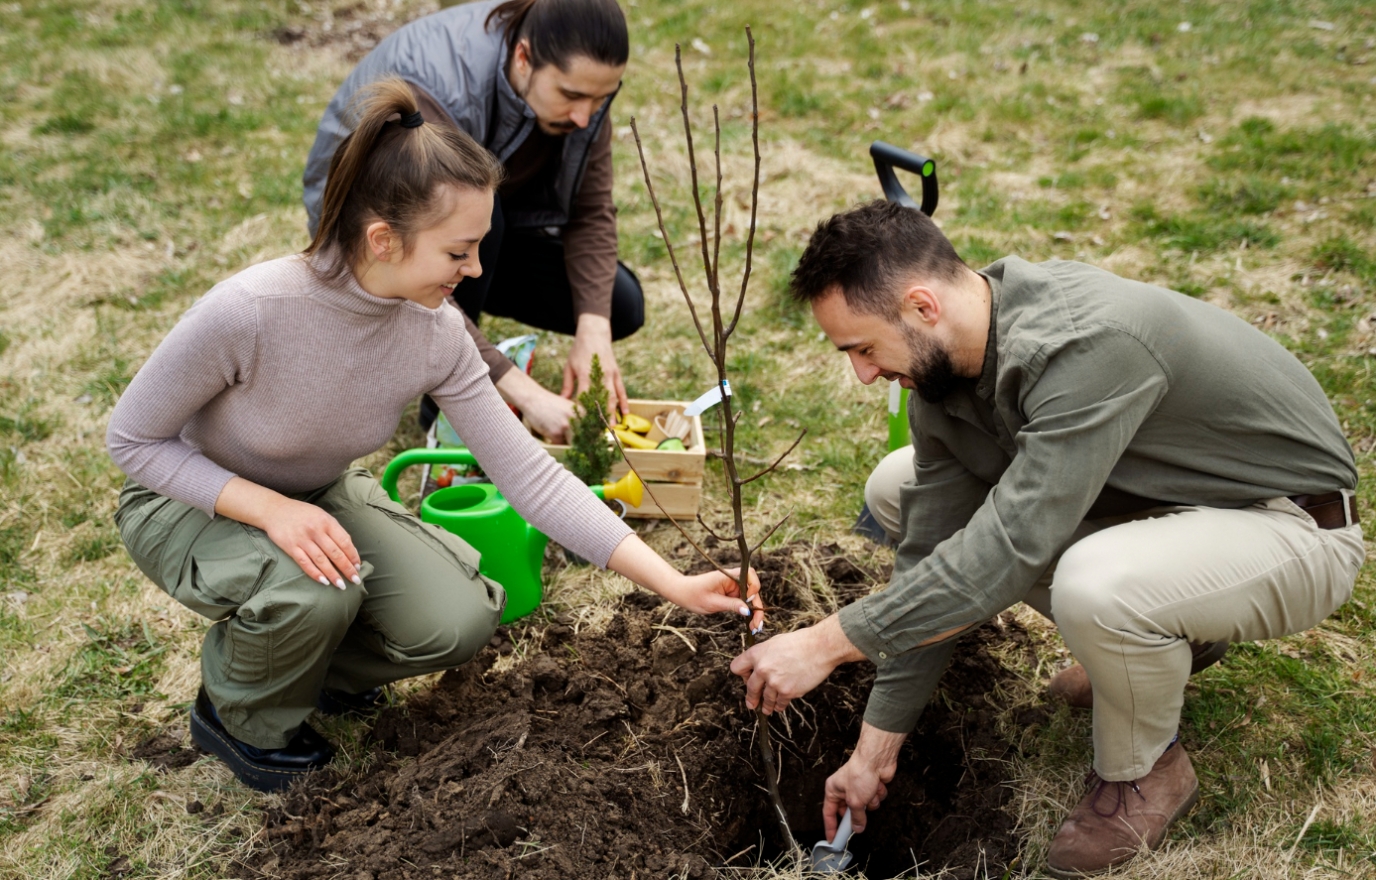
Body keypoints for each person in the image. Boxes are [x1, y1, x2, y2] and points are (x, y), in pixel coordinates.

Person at [109, 79, 763, 793]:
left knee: (457, 618)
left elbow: (530, 475)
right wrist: (268, 509)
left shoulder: (435, 332)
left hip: (315, 493)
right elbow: (134, 441)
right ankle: (239, 712)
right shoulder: (251, 311)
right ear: (383, 239)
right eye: (459, 252)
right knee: (319, 592)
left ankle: (298, 665)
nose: (476, 270)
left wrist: (675, 584)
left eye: (480, 247)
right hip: (185, 501)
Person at [729, 200, 1364, 877]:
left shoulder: (1084, 344)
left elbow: (1008, 550)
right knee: (896, 486)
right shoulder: (947, 384)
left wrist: (828, 643)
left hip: (1291, 527)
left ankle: (1146, 773)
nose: (861, 374)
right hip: (1169, 512)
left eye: (862, 348)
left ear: (921, 307)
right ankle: (1161, 641)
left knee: (1094, 581)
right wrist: (872, 755)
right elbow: (933, 560)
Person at [304, 0, 641, 443]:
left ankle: (465, 332)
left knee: (618, 305)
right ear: (524, 57)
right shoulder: (436, 89)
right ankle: (446, 397)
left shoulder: (581, 92)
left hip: (476, 227)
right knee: (484, 220)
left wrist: (593, 331)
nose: (585, 117)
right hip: (381, 246)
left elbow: (591, 210)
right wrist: (521, 390)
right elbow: (414, 238)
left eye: (601, 98)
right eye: (572, 96)